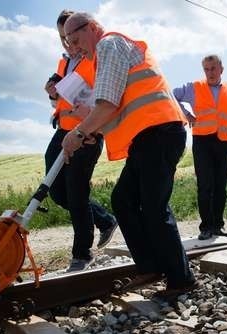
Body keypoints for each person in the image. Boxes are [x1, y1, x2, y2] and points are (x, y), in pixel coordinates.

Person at [61, 12, 196, 298]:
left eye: (76, 40)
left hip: (160, 133)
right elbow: (113, 106)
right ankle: (150, 267)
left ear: (93, 28)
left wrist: (78, 133)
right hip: (147, 137)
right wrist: (88, 131)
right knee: (123, 199)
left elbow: (107, 104)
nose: (75, 48)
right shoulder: (102, 57)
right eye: (69, 43)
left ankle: (181, 279)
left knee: (153, 206)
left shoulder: (109, 45)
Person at [44, 10, 117, 273]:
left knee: (76, 193)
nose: (69, 44)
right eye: (64, 39)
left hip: (87, 132)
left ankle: (82, 254)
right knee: (56, 191)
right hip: (62, 131)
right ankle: (105, 219)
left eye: (73, 38)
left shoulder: (97, 58)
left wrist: (87, 125)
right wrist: (53, 94)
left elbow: (103, 99)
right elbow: (60, 101)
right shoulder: (63, 64)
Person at [173, 55, 227, 240]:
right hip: (202, 141)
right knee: (205, 185)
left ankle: (218, 225)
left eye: (213, 68)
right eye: (206, 69)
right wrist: (187, 114)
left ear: (221, 69)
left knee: (221, 186)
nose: (210, 72)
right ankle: (206, 227)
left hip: (225, 141)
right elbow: (172, 95)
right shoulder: (193, 87)